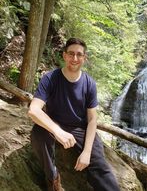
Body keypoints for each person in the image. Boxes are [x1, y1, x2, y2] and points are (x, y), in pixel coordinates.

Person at [28, 37, 120, 191]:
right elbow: (34, 110)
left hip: (81, 129)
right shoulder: (50, 78)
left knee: (100, 169)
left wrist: (87, 152)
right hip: (54, 124)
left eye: (79, 55)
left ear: (84, 58)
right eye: (71, 54)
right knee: (38, 134)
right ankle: (52, 178)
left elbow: (92, 119)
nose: (74, 58)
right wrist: (57, 131)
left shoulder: (89, 83)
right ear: (64, 55)